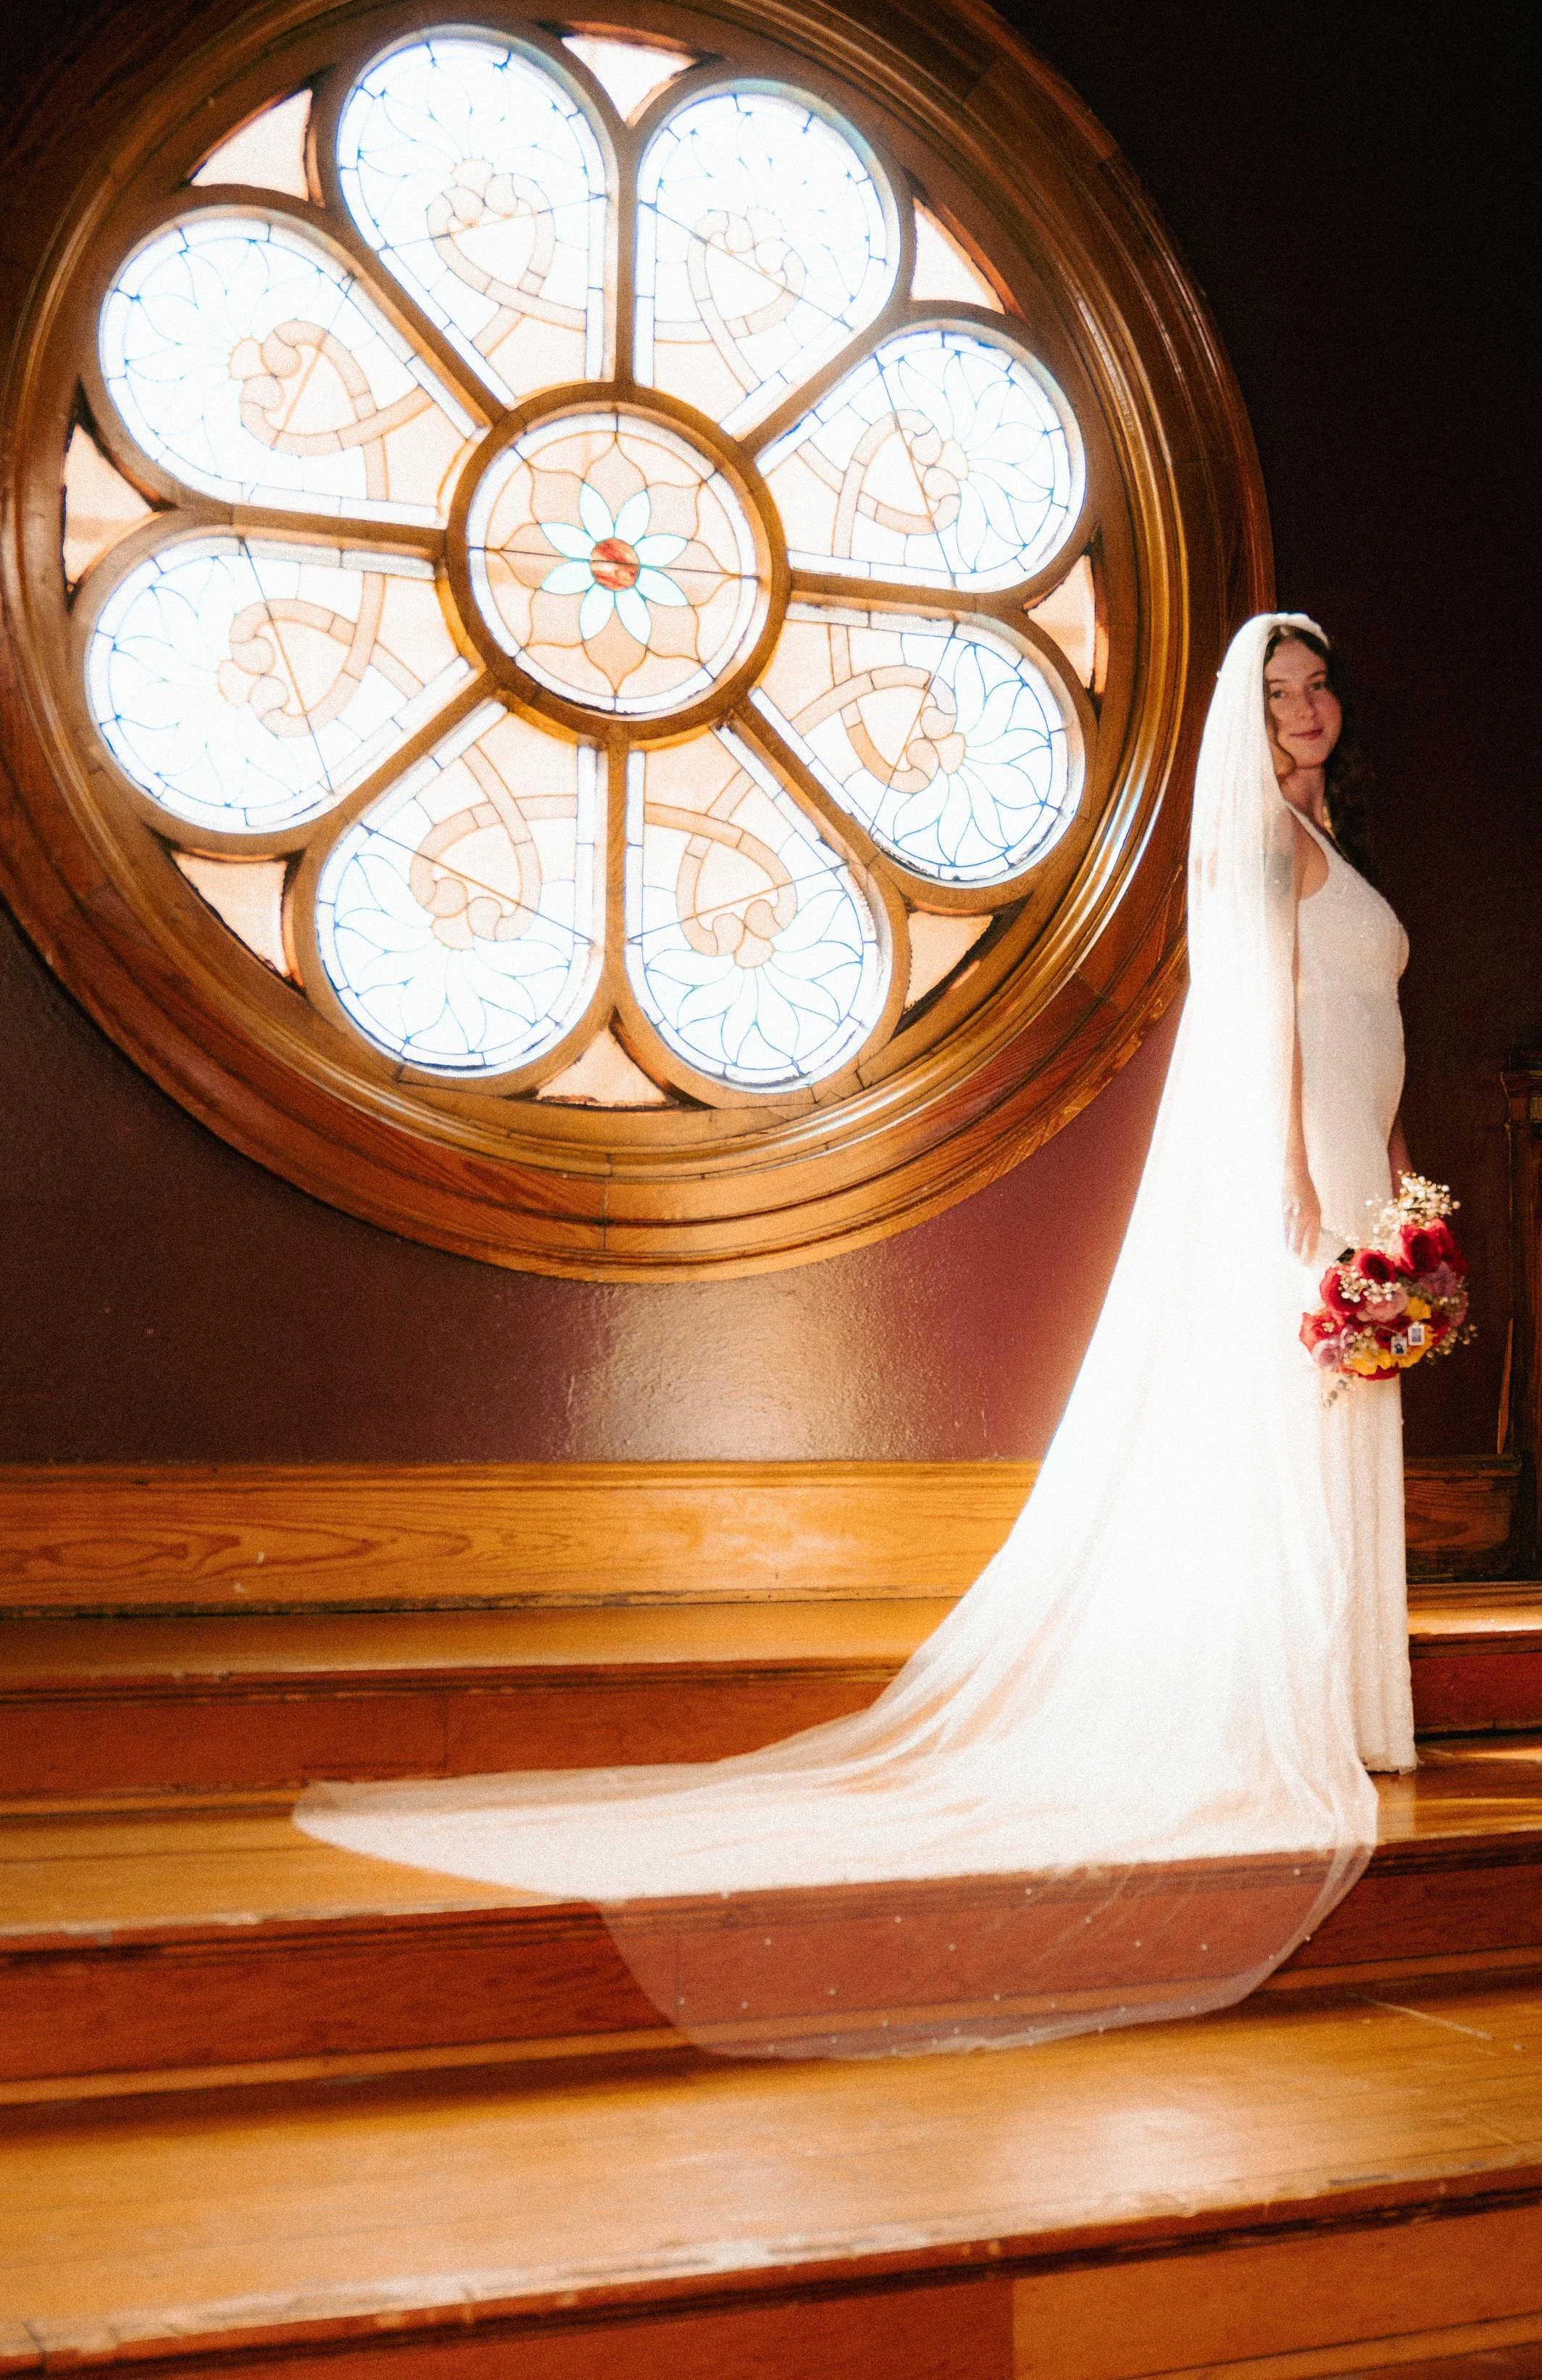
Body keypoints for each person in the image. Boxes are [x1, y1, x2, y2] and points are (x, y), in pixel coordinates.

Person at [297, 609, 1417, 2053]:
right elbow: (1256, 1012)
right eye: (1277, 691)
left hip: (1364, 1163)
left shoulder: (1344, 848)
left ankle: (1346, 1701)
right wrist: (1294, 1171)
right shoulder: (1263, 841)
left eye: (1318, 684)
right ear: (1243, 719)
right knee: (1285, 1406)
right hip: (1298, 1163)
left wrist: (1400, 1179)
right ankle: (1281, 1709)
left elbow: (1367, 1022)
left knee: (1349, 1390)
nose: (1305, 706)